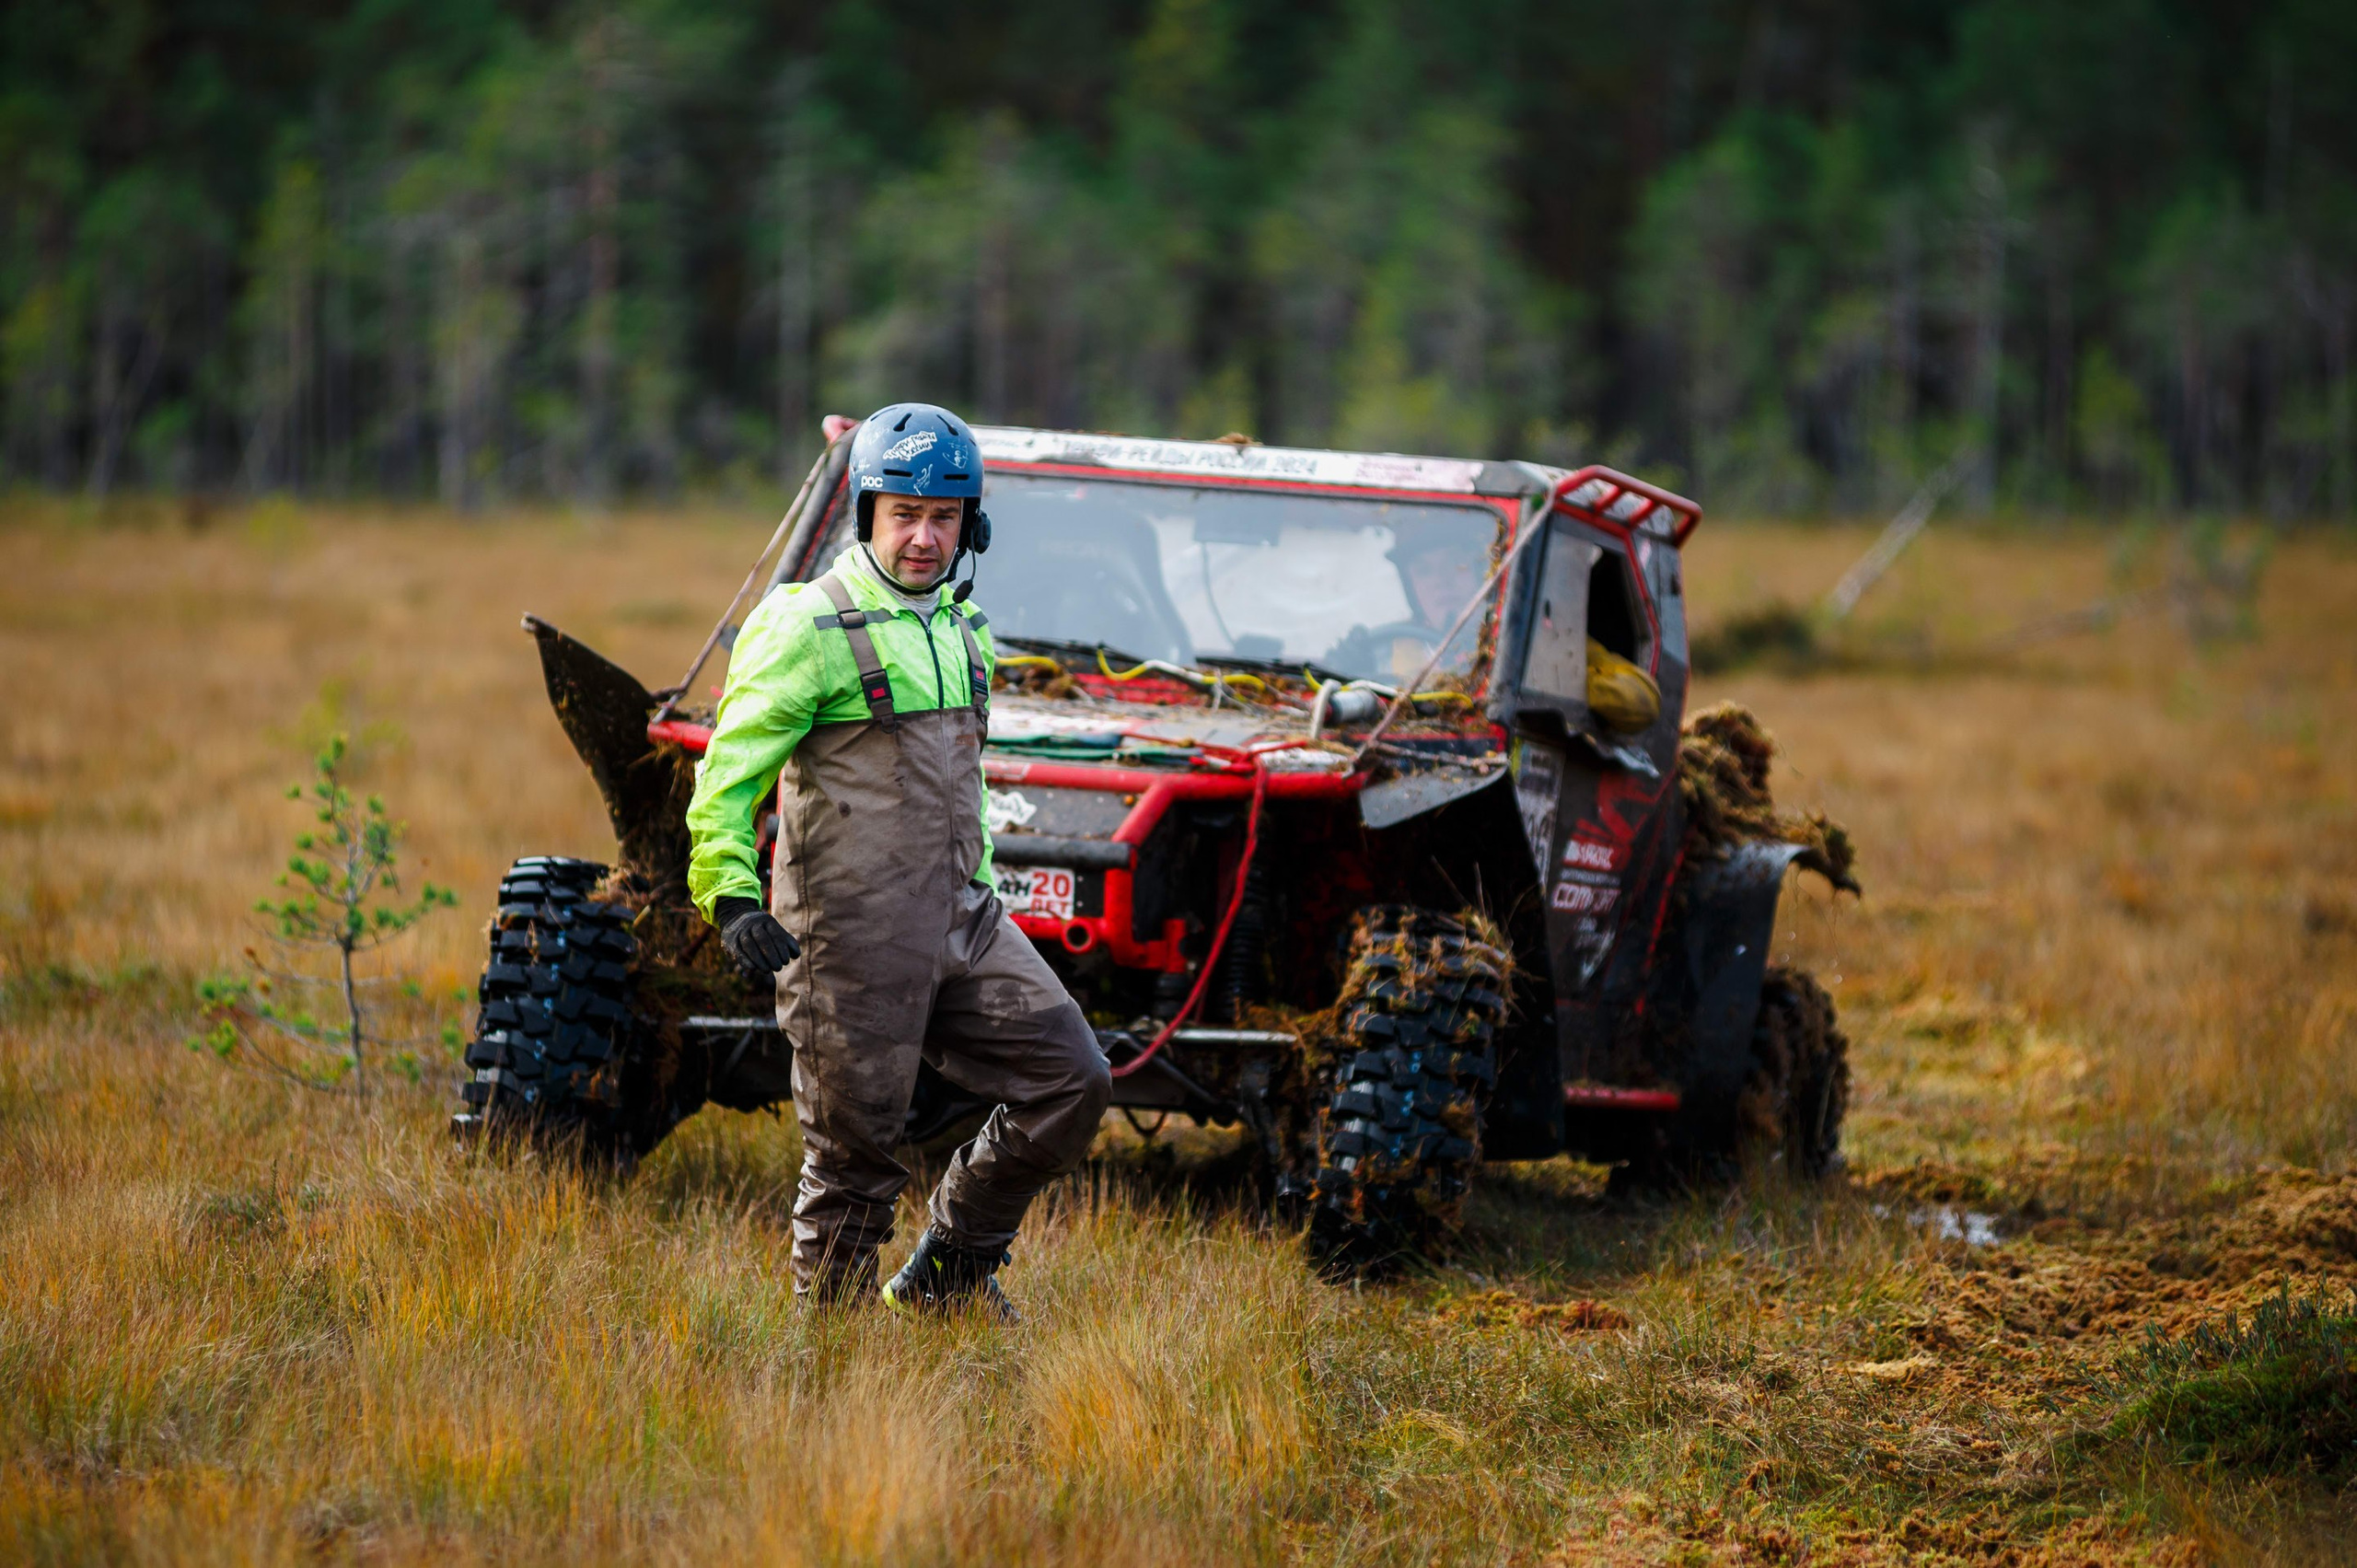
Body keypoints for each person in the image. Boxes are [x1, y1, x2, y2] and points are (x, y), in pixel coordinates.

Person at [683, 402, 1109, 1319]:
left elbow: (964, 783)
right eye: (904, 513)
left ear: (971, 524)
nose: (923, 537)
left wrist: (978, 886)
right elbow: (725, 777)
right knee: (855, 1162)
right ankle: (830, 1358)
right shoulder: (804, 626)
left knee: (1073, 1079)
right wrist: (732, 896)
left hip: (964, 920)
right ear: (865, 512)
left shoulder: (965, 627)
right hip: (850, 940)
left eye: (944, 516)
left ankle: (947, 1275)